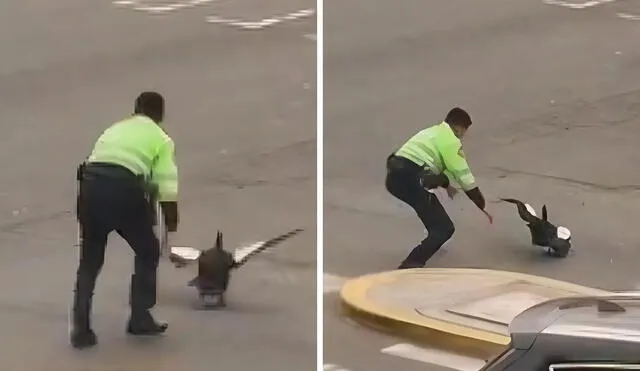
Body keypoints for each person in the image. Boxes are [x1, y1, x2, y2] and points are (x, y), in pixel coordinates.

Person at [71, 92, 179, 349]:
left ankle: (80, 328)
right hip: (123, 192)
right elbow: (165, 182)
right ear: (159, 114)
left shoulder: (115, 129)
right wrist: (171, 220)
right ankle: (140, 317)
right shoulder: (160, 138)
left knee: (90, 260)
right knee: (147, 250)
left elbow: (86, 166)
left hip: (90, 188)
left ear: (135, 109)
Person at [385, 107, 492, 269]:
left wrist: (446, 185)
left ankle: (430, 242)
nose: (463, 136)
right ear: (460, 127)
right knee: (444, 228)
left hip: (394, 178)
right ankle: (410, 265)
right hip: (411, 180)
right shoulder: (450, 140)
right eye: (464, 131)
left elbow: (435, 166)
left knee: (435, 221)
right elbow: (462, 173)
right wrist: (480, 201)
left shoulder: (432, 132)